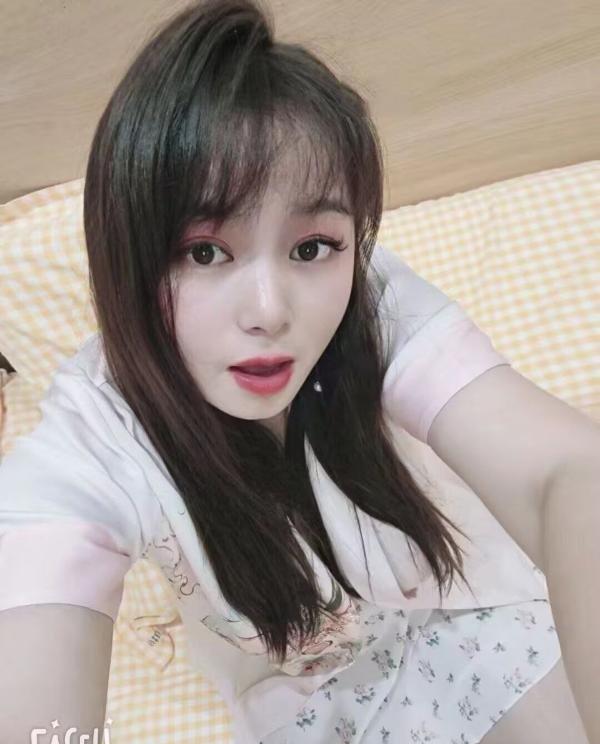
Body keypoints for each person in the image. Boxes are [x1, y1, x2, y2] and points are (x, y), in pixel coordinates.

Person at [0, 1, 592, 742]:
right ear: (127, 255)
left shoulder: (372, 300)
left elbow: (566, 470)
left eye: (312, 247)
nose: (269, 311)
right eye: (205, 251)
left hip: (469, 611)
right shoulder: (97, 432)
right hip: (307, 698)